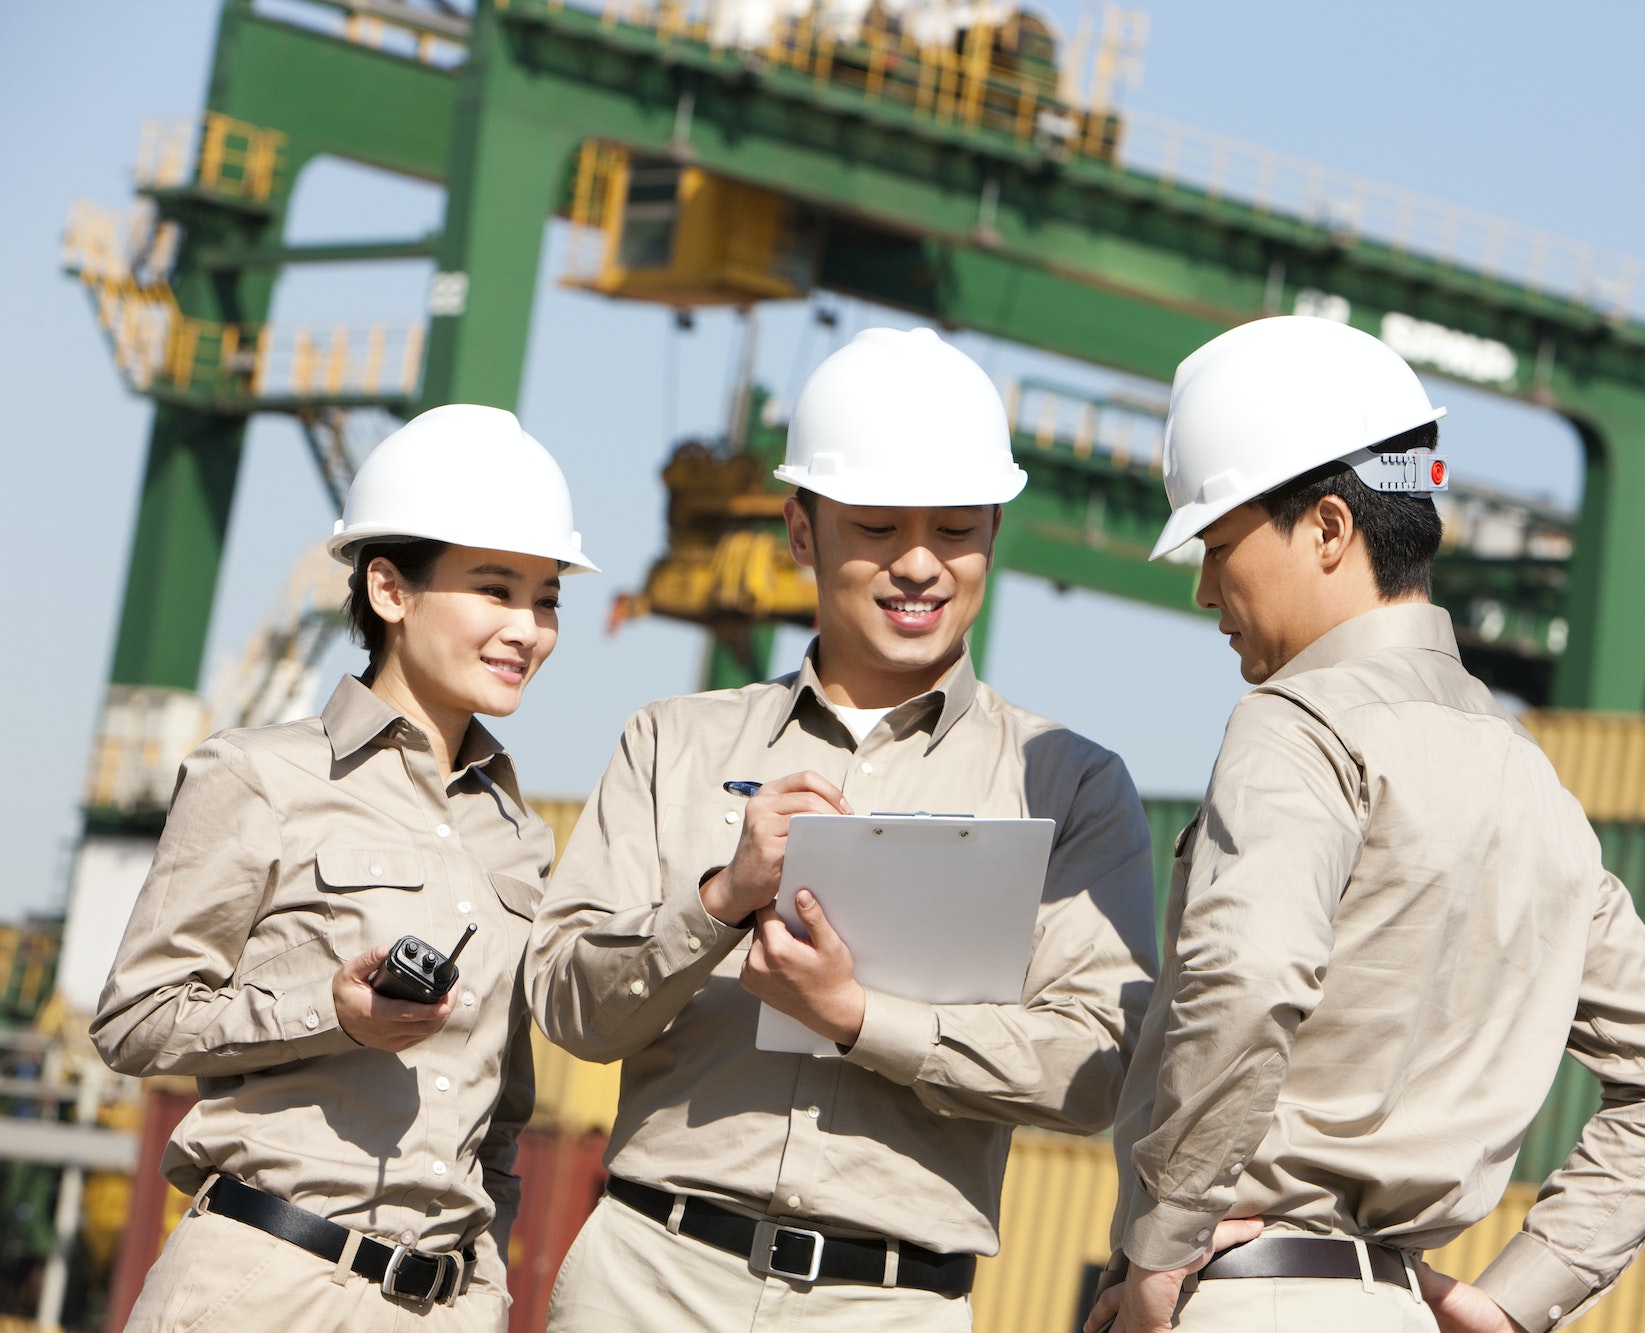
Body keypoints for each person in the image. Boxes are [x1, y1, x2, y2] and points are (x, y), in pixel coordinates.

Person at [1087, 316, 1645, 1333]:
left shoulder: (1294, 726)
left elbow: (1251, 975)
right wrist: (1516, 1298)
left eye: (1217, 546)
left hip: (1246, 1296)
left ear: (1329, 529)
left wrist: (1159, 1255)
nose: (1207, 589)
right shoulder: (1530, 781)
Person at [529, 326, 1158, 1332]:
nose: (918, 564)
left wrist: (861, 1019)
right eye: (875, 526)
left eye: (954, 529)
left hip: (888, 1307)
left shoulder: (1070, 787)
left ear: (993, 531)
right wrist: (717, 902)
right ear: (797, 529)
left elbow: (1098, 1068)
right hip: (648, 1281)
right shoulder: (669, 741)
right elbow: (568, 1008)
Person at [93, 405, 597, 1331]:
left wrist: (483, 1286)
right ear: (390, 590)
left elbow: (503, 1108)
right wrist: (333, 1013)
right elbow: (136, 1020)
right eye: (495, 589)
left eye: (547, 597)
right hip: (265, 1285)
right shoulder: (257, 775)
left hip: (444, 1306)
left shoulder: (518, 833)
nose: (528, 628)